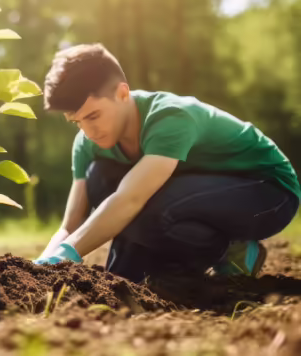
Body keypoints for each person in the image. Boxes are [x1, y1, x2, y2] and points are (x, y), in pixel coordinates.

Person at [34, 43, 300, 283]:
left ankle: (232, 250)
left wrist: (68, 254)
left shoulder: (170, 117)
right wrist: (42, 266)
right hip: (191, 193)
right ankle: (162, 270)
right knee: (101, 182)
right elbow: (70, 225)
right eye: (77, 122)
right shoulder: (87, 142)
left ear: (123, 94)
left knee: (148, 209)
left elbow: (130, 200)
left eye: (93, 115)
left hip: (268, 194)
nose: (88, 131)